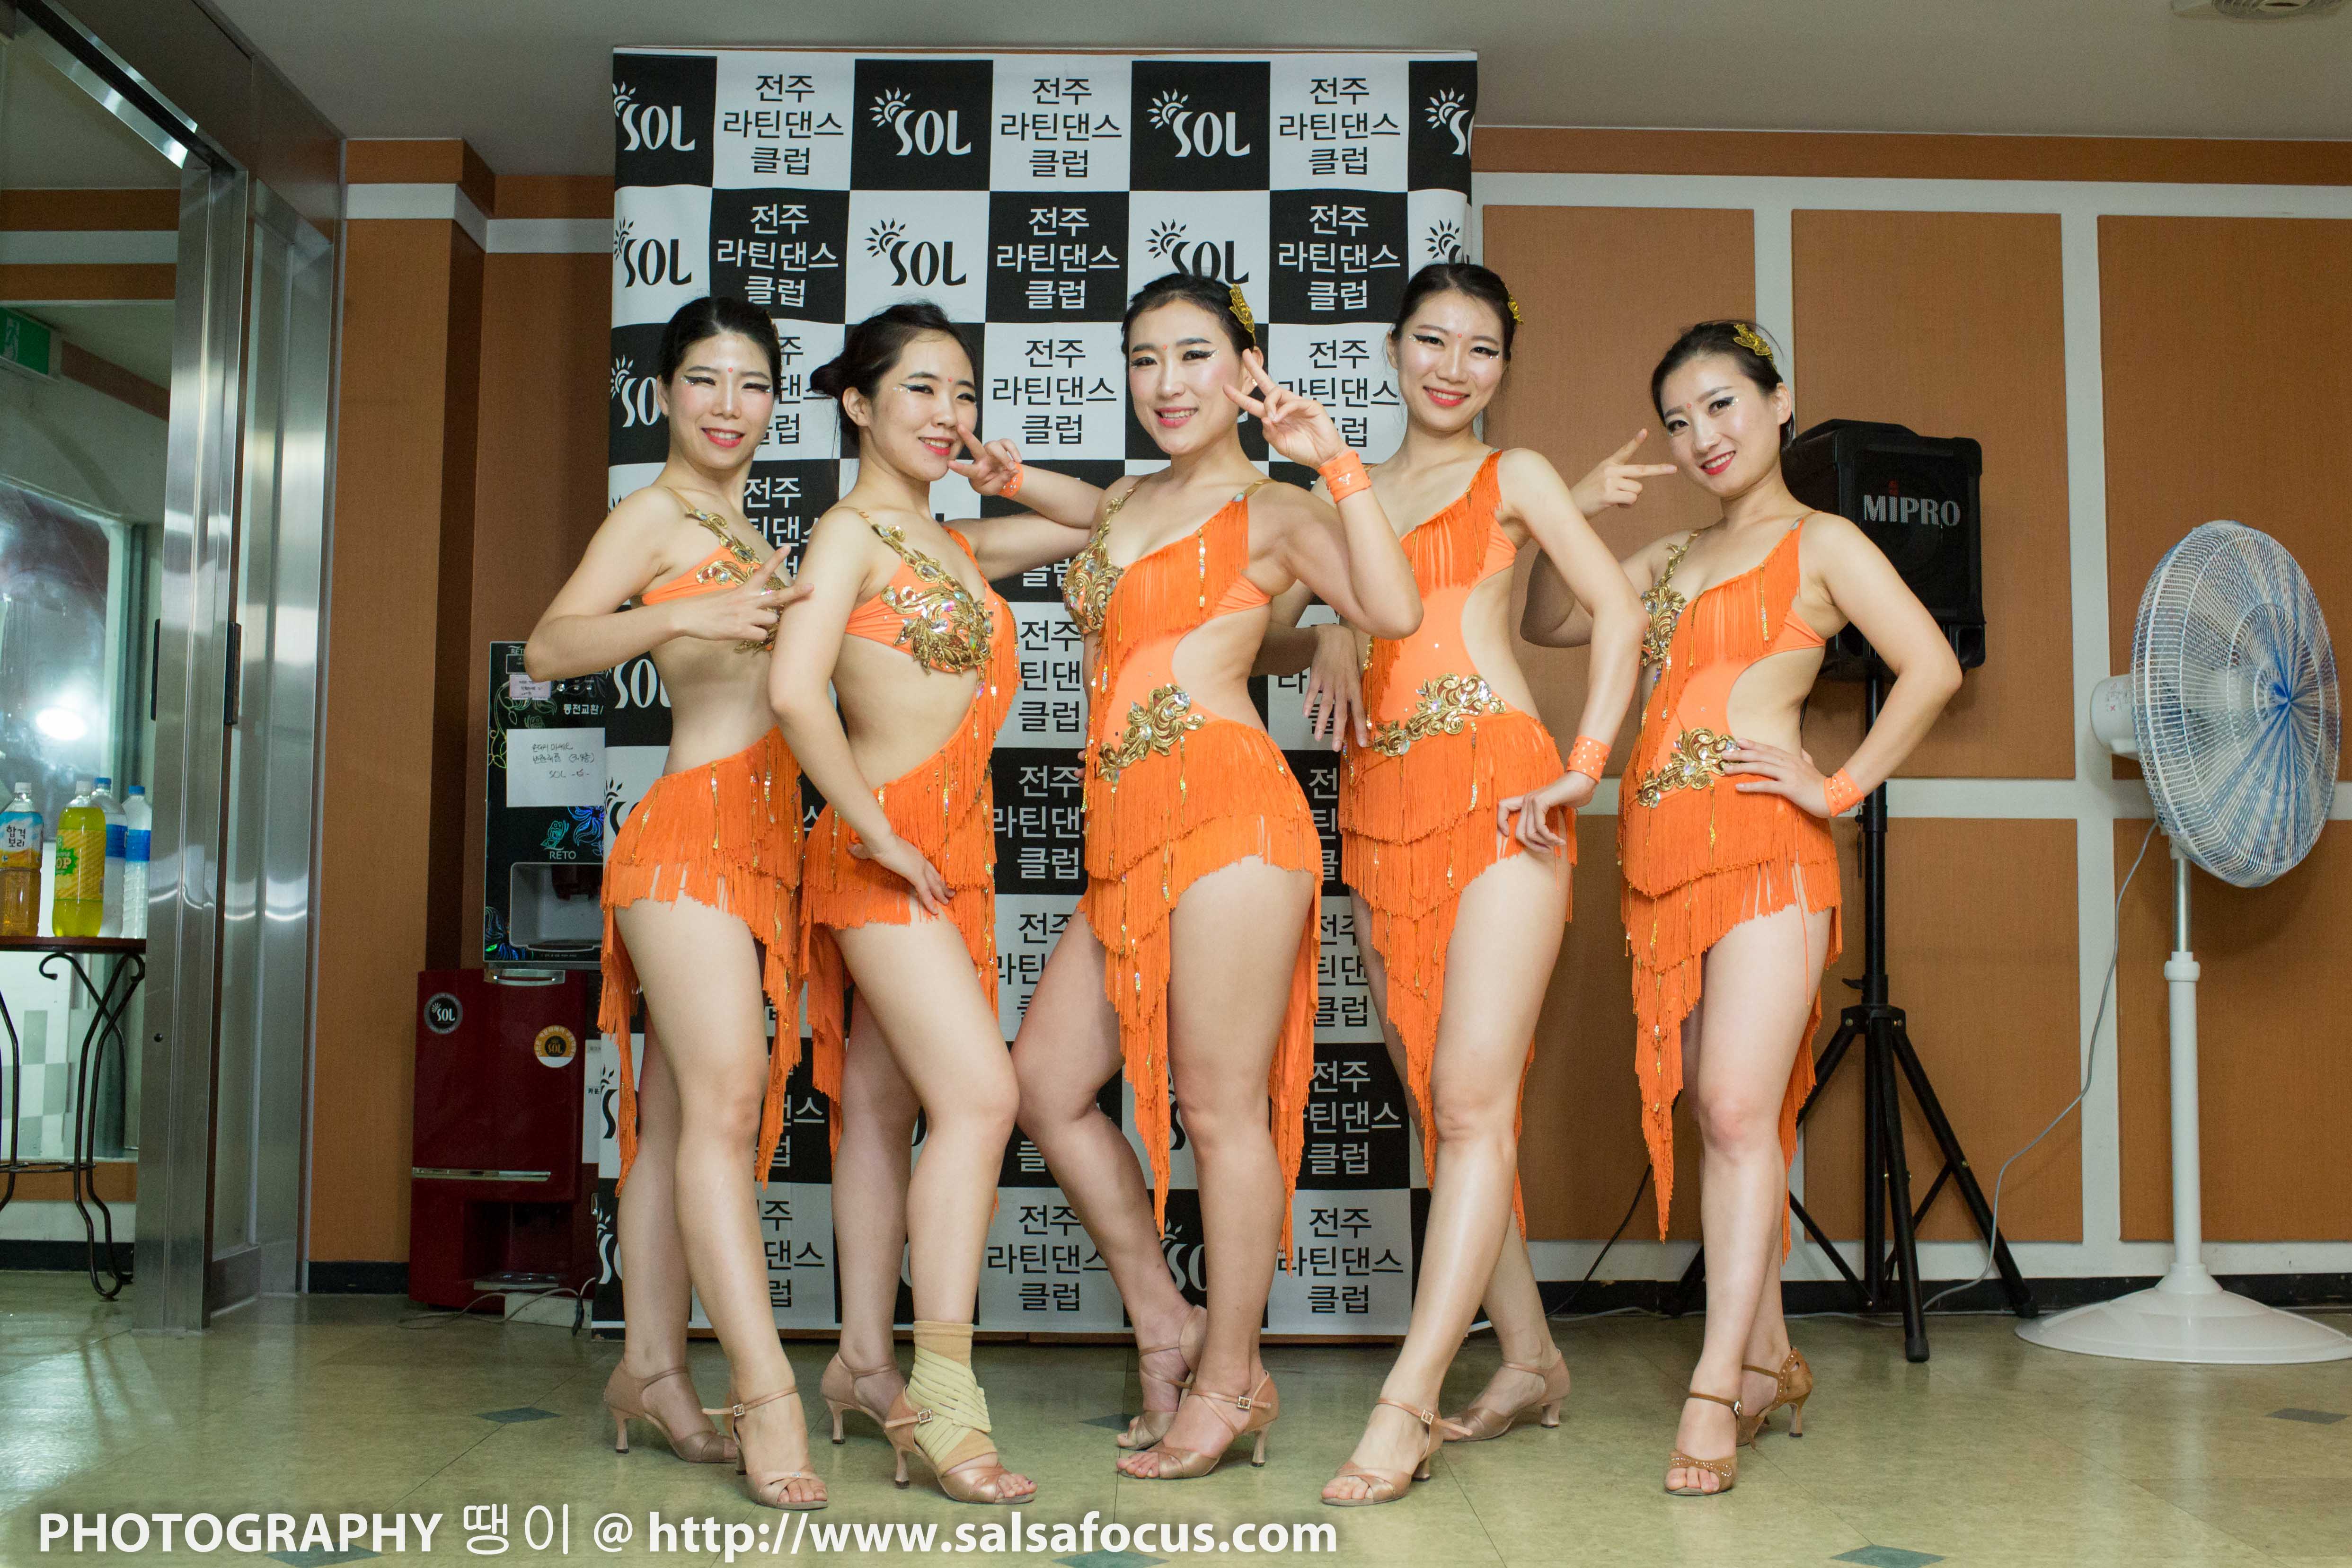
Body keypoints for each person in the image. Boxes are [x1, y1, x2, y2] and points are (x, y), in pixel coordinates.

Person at [1523, 318, 1962, 1497]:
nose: (1700, 436)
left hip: (1767, 852)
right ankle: (1767, 1356)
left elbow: (1931, 666)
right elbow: (1549, 619)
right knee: (1727, 1120)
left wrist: (1837, 787)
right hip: (1662, 861)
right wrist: (1573, 508)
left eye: (1721, 404)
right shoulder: (1669, 556)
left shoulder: (1825, 541)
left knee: (1730, 1109)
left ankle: (1715, 1385)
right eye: (1678, 421)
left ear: (1777, 404)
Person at [1011, 273, 1422, 1482]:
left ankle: (1233, 1375)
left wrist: (1331, 459)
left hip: (1232, 815)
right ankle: (1165, 1320)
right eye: (1144, 358)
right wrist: (1002, 475)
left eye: (1194, 355)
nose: (1166, 382)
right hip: (1126, 833)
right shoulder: (1124, 502)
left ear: (1245, 369)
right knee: (1043, 1085)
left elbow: (1392, 607)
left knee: (1217, 1108)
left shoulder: (1275, 506)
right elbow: (1079, 514)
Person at [1256, 263, 1648, 1506]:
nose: (1453, 368)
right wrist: (1332, 623)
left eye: (1481, 350)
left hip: (1503, 789)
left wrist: (1586, 764)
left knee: (1473, 1102)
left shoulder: (1515, 472)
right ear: (1392, 349)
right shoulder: (1341, 492)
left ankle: (1407, 1400)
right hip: (1380, 811)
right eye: (1432, 340)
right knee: (1443, 1103)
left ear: (1501, 371)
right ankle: (1529, 1357)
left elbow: (1619, 610)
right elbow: (1284, 621)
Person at [768, 301, 1103, 1505]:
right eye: (920, 388)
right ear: (858, 404)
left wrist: (1005, 473)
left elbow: (1102, 519)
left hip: (955, 854)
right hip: (882, 853)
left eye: (962, 392)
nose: (947, 412)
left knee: (881, 1105)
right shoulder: (847, 533)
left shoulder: (956, 541)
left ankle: (861, 1360)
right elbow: (794, 690)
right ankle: (946, 1395)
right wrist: (876, 834)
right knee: (983, 1096)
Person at [524, 295, 822, 1509]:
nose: (728, 405)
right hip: (688, 841)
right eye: (704, 379)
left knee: (676, 1114)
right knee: (729, 1103)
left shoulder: (743, 527)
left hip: (762, 849)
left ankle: (649, 1366)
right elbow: (548, 648)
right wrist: (685, 611)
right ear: (662, 394)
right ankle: (767, 1391)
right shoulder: (652, 515)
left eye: (752, 384)